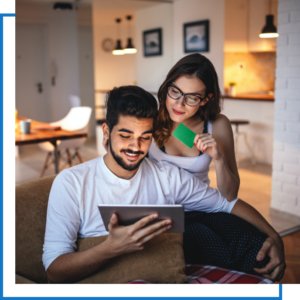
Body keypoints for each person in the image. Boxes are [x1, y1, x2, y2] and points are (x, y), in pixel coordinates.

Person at [43, 85, 285, 283]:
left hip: (189, 224)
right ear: (106, 133)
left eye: (144, 137)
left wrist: (274, 235)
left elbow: (227, 202)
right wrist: (111, 247)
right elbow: (54, 271)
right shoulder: (71, 183)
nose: (135, 147)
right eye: (125, 135)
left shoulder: (169, 174)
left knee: (253, 247)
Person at [146, 53, 274, 275]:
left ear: (205, 99)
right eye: (175, 91)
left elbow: (230, 194)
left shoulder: (217, 125)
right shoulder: (151, 119)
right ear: (167, 87)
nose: (179, 103)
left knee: (259, 248)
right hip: (167, 215)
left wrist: (219, 158)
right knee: (224, 254)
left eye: (192, 97)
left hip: (207, 206)